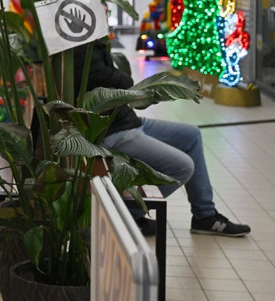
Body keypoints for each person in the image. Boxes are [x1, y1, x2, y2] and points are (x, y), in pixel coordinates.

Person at [73, 37, 250, 237]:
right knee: (183, 166)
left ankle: (205, 216)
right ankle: (125, 215)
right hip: (111, 131)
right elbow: (107, 78)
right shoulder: (78, 47)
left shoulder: (93, 42)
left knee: (191, 135)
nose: (105, 12)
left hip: (125, 120)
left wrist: (119, 78)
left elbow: (114, 79)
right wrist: (121, 78)